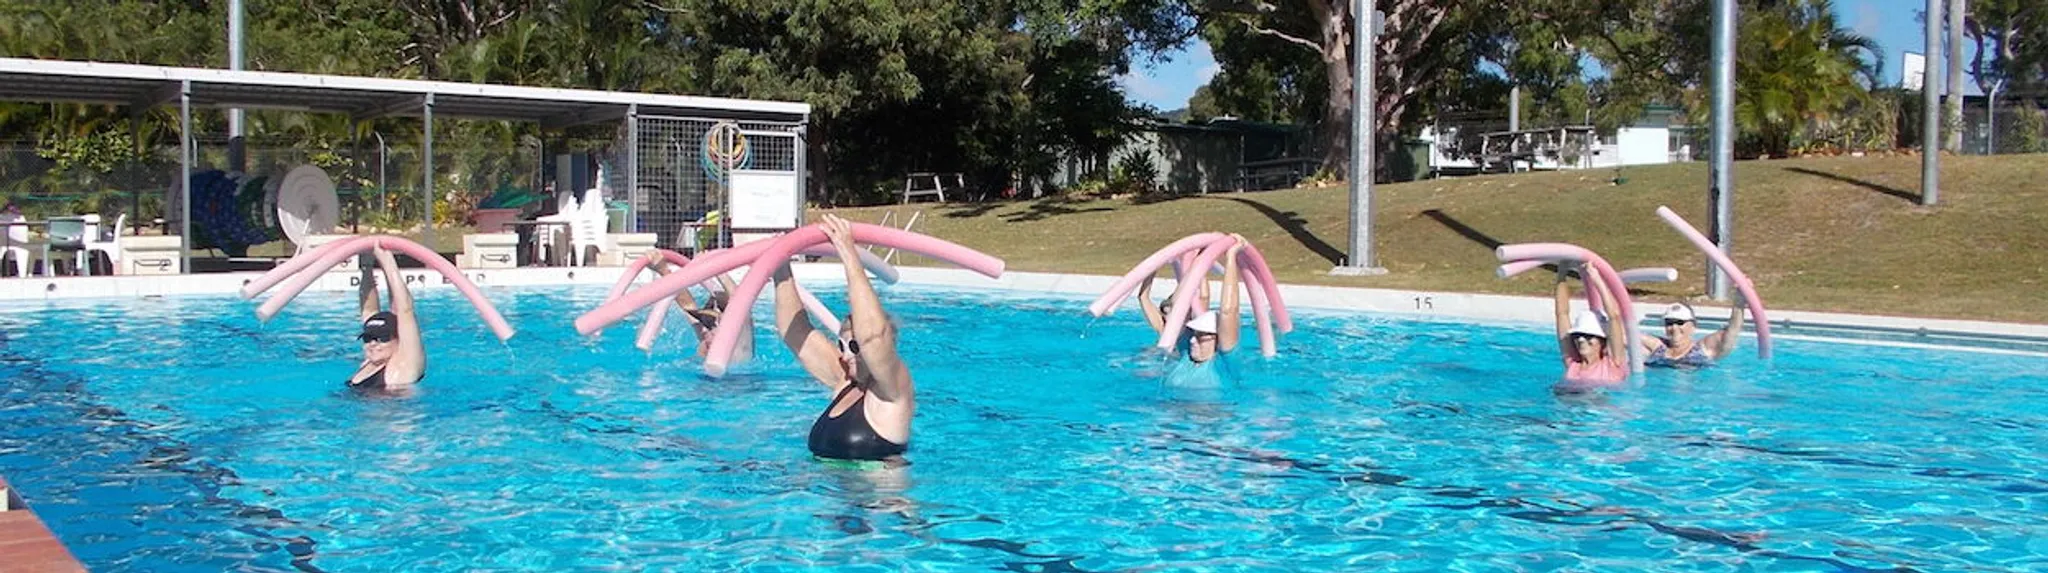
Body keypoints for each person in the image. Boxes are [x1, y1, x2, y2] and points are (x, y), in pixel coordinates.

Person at [770, 214, 914, 464]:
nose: (846, 355)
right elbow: (795, 333)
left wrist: (847, 251)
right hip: (830, 498)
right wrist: (780, 264)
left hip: (881, 503)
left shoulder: (893, 390)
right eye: (842, 345)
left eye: (854, 347)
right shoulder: (844, 381)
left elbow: (873, 337)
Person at [1137, 235, 1246, 385]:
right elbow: (1180, 302)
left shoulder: (1222, 364)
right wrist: (1198, 260)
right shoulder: (1185, 353)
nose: (1193, 340)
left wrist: (1230, 257)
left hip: (1211, 408)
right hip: (1168, 407)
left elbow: (1228, 310)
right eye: (1194, 334)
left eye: (1201, 336)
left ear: (1217, 340)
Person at [640, 250, 754, 363]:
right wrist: (663, 269)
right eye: (706, 325)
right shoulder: (711, 339)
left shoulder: (740, 344)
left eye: (710, 324)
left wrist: (714, 265)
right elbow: (687, 305)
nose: (704, 331)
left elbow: (739, 297)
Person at [347, 247, 425, 393]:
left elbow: (405, 310)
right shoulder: (370, 363)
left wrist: (387, 260)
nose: (373, 344)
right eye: (367, 338)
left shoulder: (403, 367)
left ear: (398, 339)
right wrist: (367, 266)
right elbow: (368, 310)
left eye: (382, 338)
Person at [1554, 264, 1629, 390]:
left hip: (1600, 408)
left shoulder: (1613, 364)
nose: (1581, 339)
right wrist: (1561, 273)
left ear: (1602, 341)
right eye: (1577, 335)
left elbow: (1614, 316)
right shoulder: (1573, 364)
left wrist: (1596, 278)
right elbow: (1561, 314)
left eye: (1588, 336)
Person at [1638, 300, 1745, 368]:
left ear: (1693, 326)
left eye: (1680, 322)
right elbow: (1625, 334)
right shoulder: (1657, 346)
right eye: (1669, 323)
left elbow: (1732, 330)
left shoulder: (1703, 349)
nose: (1674, 328)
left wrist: (1739, 300)